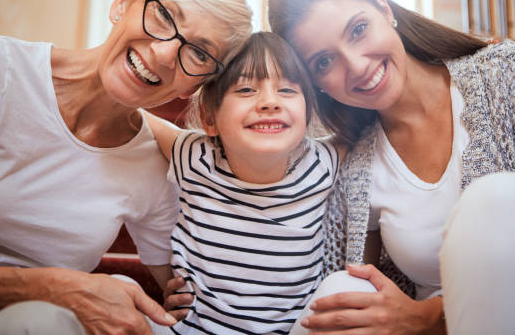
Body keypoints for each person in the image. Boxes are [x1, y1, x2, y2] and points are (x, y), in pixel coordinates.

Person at [264, 0, 515, 334]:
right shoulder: (352, 161)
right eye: (324, 62)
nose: (357, 66)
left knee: (497, 198)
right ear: (317, 84)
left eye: (359, 30)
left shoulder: (507, 73)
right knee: (340, 290)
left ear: (385, 9)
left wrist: (426, 317)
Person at [0, 0, 252, 335]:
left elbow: (187, 290)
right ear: (122, 2)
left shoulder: (152, 163)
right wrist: (62, 289)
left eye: (198, 52)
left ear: (198, 84)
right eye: (164, 15)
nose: (164, 55)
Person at [144, 31, 364, 334]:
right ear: (209, 117)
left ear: (307, 113)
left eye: (287, 90)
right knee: (119, 286)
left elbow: (373, 120)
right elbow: (134, 118)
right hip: (194, 329)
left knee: (354, 287)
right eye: (247, 89)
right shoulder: (195, 157)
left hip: (293, 331)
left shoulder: (321, 163)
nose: (270, 102)